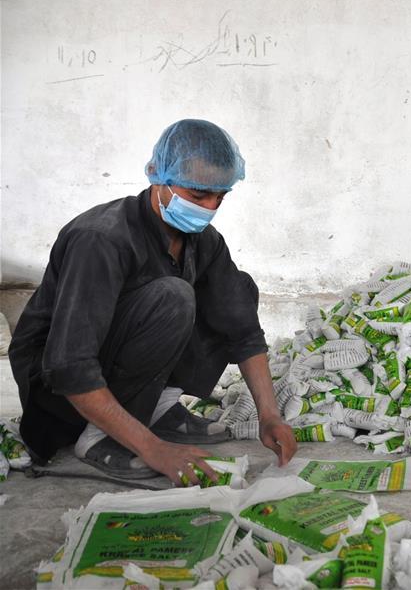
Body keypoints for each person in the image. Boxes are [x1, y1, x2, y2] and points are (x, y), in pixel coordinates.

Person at [9, 118, 297, 485]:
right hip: (58, 396)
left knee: (238, 289)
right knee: (172, 297)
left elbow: (241, 329)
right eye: (197, 195)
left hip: (114, 366)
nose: (210, 207)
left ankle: (156, 408)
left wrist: (270, 415)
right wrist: (153, 449)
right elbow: (69, 364)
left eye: (219, 197)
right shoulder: (101, 239)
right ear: (157, 177)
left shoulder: (204, 241)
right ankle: (98, 437)